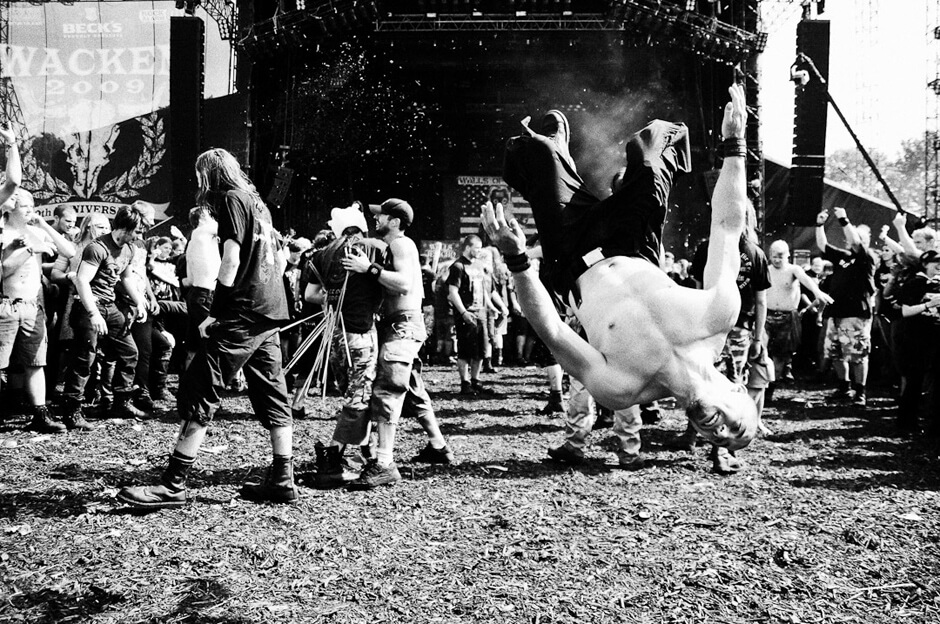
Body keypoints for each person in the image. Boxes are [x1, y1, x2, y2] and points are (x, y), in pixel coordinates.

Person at [487, 82, 759, 452]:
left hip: (570, 259)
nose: (720, 432)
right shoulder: (718, 315)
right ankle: (564, 157)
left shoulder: (623, 389)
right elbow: (727, 225)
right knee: (651, 155)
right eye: (736, 425)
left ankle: (555, 154)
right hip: (632, 243)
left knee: (532, 153)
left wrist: (517, 260)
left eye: (721, 440)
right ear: (737, 391)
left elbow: (553, 332)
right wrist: (735, 146)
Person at [117, 148, 296, 508]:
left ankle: (173, 483)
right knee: (272, 391)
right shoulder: (259, 203)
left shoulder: (231, 199)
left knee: (200, 388)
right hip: (269, 309)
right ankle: (282, 476)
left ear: (209, 175)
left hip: (242, 312)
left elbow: (230, 262)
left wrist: (216, 312)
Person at [341, 198, 453, 489]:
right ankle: (439, 446)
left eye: (381, 216)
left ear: (394, 222)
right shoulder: (395, 246)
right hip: (401, 324)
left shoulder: (401, 244)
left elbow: (403, 283)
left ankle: (384, 463)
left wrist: (369, 269)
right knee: (413, 389)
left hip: (402, 325)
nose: (375, 220)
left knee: (388, 388)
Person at [303, 204, 385, 487]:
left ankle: (368, 452)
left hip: (334, 335)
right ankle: (333, 456)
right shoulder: (373, 247)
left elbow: (310, 294)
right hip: (361, 333)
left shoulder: (322, 253)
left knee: (352, 394)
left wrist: (334, 298)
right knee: (359, 396)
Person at [1, 142, 77, 433]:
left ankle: (40, 414)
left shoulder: (34, 230)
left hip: (34, 306)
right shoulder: (4, 231)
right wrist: (28, 250)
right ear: (10, 205)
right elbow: (3, 271)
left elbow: (69, 252)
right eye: (25, 204)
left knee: (36, 362)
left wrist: (44, 226)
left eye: (33, 205)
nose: (30, 209)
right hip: (7, 303)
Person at [59, 205, 149, 428]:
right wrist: (93, 314)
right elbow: (81, 281)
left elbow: (125, 278)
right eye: (136, 230)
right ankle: (72, 411)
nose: (139, 236)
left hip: (110, 306)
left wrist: (139, 301)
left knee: (129, 351)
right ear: (125, 228)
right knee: (84, 358)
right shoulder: (96, 248)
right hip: (89, 306)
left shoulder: (129, 248)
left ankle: (121, 401)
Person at [815, 207, 878, 407]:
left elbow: (857, 243)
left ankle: (860, 392)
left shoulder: (867, 259)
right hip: (836, 313)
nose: (853, 241)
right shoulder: (843, 257)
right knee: (835, 352)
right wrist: (819, 225)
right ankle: (844, 387)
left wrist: (843, 219)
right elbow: (823, 245)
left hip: (856, 313)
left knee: (857, 354)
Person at [765, 239, 833, 388]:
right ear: (770, 255)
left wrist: (817, 292)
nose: (777, 259)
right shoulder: (766, 269)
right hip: (767, 316)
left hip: (787, 316)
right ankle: (764, 384)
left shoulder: (793, 270)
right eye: (774, 256)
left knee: (781, 354)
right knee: (763, 351)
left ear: (787, 256)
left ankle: (772, 385)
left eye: (780, 256)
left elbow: (805, 279)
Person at [447, 234, 492, 394]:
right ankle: (465, 383)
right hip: (467, 313)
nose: (479, 252)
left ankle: (476, 380)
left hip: (481, 312)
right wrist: (463, 312)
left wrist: (491, 306)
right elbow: (452, 292)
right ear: (467, 247)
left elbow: (484, 290)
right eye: (476, 248)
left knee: (481, 349)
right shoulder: (458, 266)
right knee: (466, 350)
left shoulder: (479, 265)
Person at [182, 205, 220, 369]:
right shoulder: (204, 230)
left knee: (194, 343)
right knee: (212, 340)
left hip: (196, 294)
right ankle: (206, 384)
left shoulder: (193, 241)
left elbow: (189, 280)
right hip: (206, 295)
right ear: (204, 217)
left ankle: (187, 385)